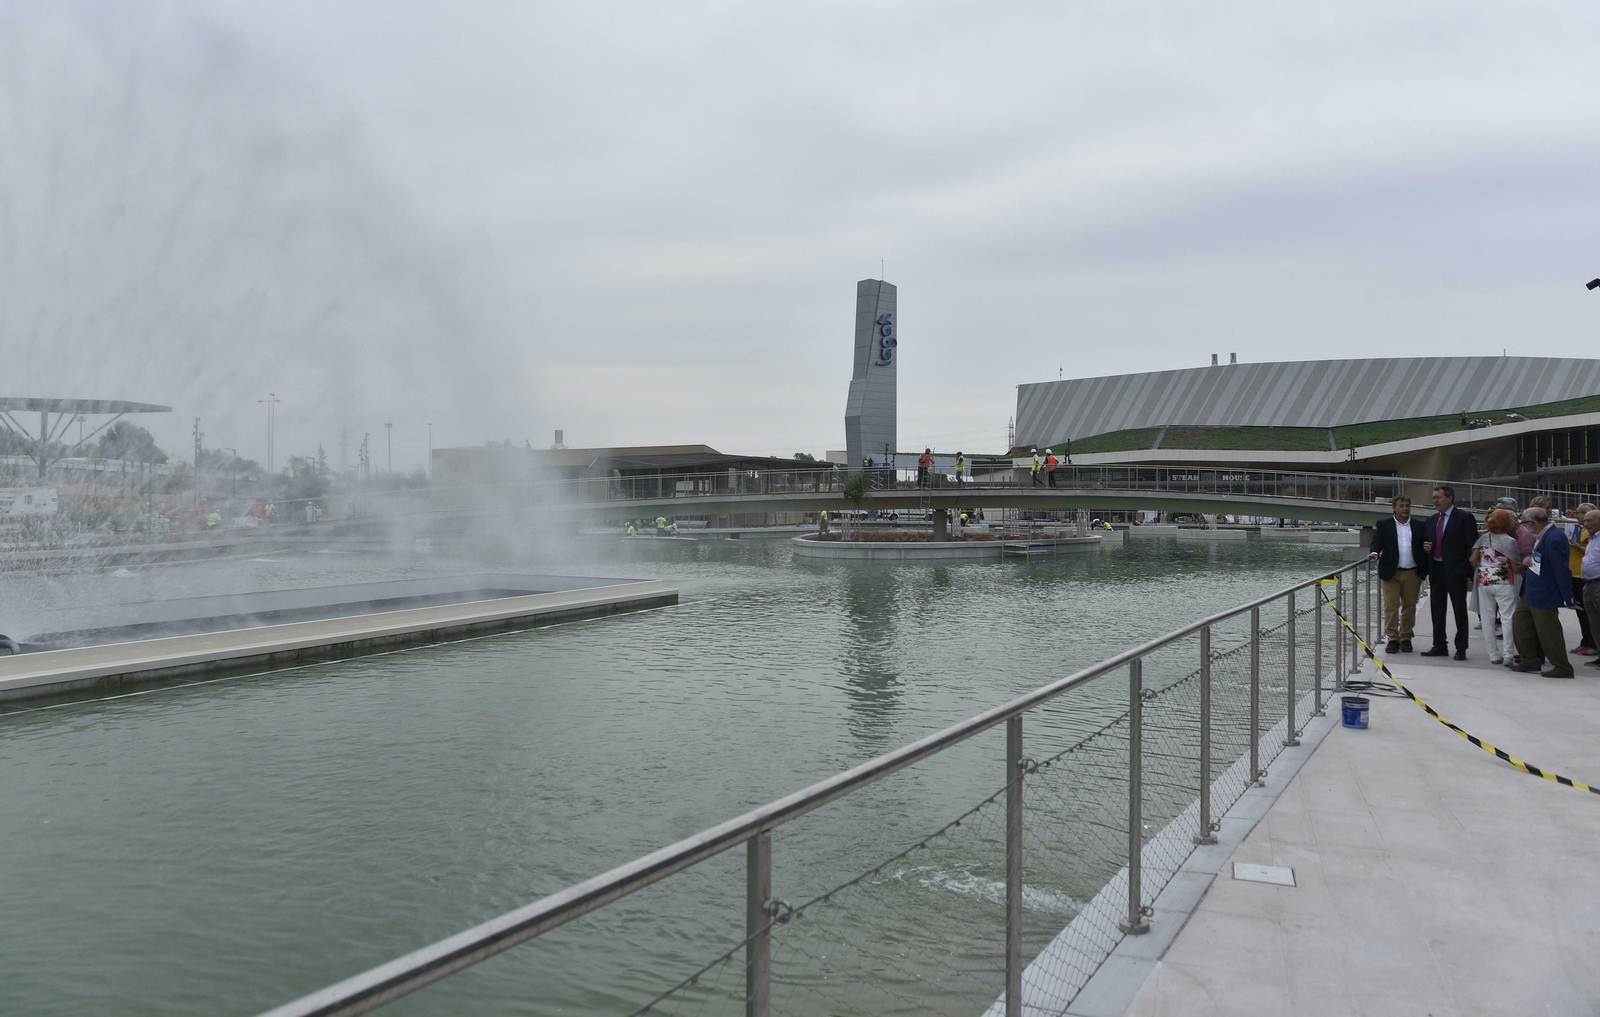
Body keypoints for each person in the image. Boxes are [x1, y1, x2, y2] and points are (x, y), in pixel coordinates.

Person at [1510, 507, 1574, 678]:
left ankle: (1562, 666)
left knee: (1548, 630)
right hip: (1532, 590)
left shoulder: (1553, 538)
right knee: (1520, 622)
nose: (1523, 526)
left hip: (1545, 592)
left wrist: (1568, 597)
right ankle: (1529, 660)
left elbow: (1561, 569)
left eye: (1524, 523)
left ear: (1532, 523)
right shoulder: (1543, 536)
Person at [1420, 485, 1479, 659]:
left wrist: (1465, 569)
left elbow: (1472, 545)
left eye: (1438, 497)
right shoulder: (1432, 520)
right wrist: (1427, 548)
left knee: (1459, 610)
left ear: (1449, 498)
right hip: (1436, 569)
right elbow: (1429, 542)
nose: (1435, 501)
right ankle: (1439, 645)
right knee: (1437, 610)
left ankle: (1461, 647)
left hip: (1456, 571)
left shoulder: (1464, 518)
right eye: (1434, 498)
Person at [1368, 495, 1429, 653]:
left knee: (1409, 606)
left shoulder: (1419, 525)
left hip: (1412, 572)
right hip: (1391, 573)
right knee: (1391, 605)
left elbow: (1426, 545)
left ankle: (1406, 637)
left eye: (1407, 506)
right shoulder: (1384, 524)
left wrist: (1428, 549)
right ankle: (1393, 638)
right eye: (1401, 506)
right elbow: (1377, 541)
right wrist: (1374, 552)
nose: (1405, 509)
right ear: (1394, 508)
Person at [1469, 509, 1521, 665]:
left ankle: (1493, 655)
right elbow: (1515, 567)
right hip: (1505, 582)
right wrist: (1525, 564)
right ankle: (1508, 655)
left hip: (1484, 581)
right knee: (1507, 618)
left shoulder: (1483, 539)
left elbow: (1472, 560)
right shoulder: (1510, 541)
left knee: (1487, 619)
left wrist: (1483, 570)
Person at [1566, 503, 1597, 655]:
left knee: (1588, 613)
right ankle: (1586, 641)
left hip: (1583, 576)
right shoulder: (1580, 530)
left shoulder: (1590, 534)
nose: (1575, 515)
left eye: (1577, 512)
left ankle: (1592, 643)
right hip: (1575, 574)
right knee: (1581, 613)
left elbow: (1592, 554)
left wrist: (1578, 547)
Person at [1580, 510, 1600, 669]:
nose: (1585, 524)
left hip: (1599, 584)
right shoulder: (1592, 538)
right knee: (1594, 623)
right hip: (1588, 585)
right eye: (1585, 520)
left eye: (1589, 520)